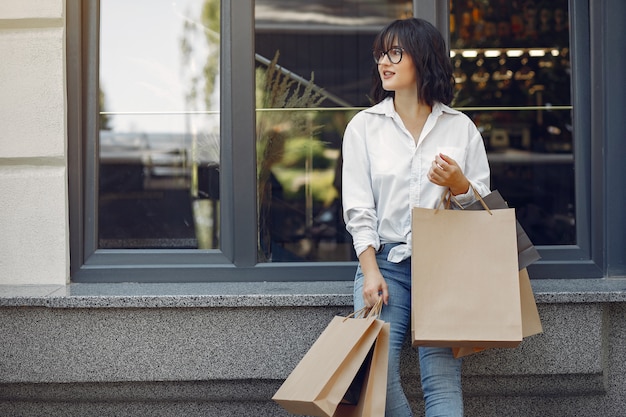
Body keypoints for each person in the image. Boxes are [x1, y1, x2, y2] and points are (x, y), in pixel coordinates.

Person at [341, 18, 490, 416]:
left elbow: (484, 213)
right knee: (379, 380)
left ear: (422, 59)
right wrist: (369, 270)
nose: (383, 63)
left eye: (395, 53)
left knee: (442, 383)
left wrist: (459, 184)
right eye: (380, 55)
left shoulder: (461, 129)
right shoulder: (364, 127)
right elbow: (358, 207)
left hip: (444, 267)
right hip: (385, 265)